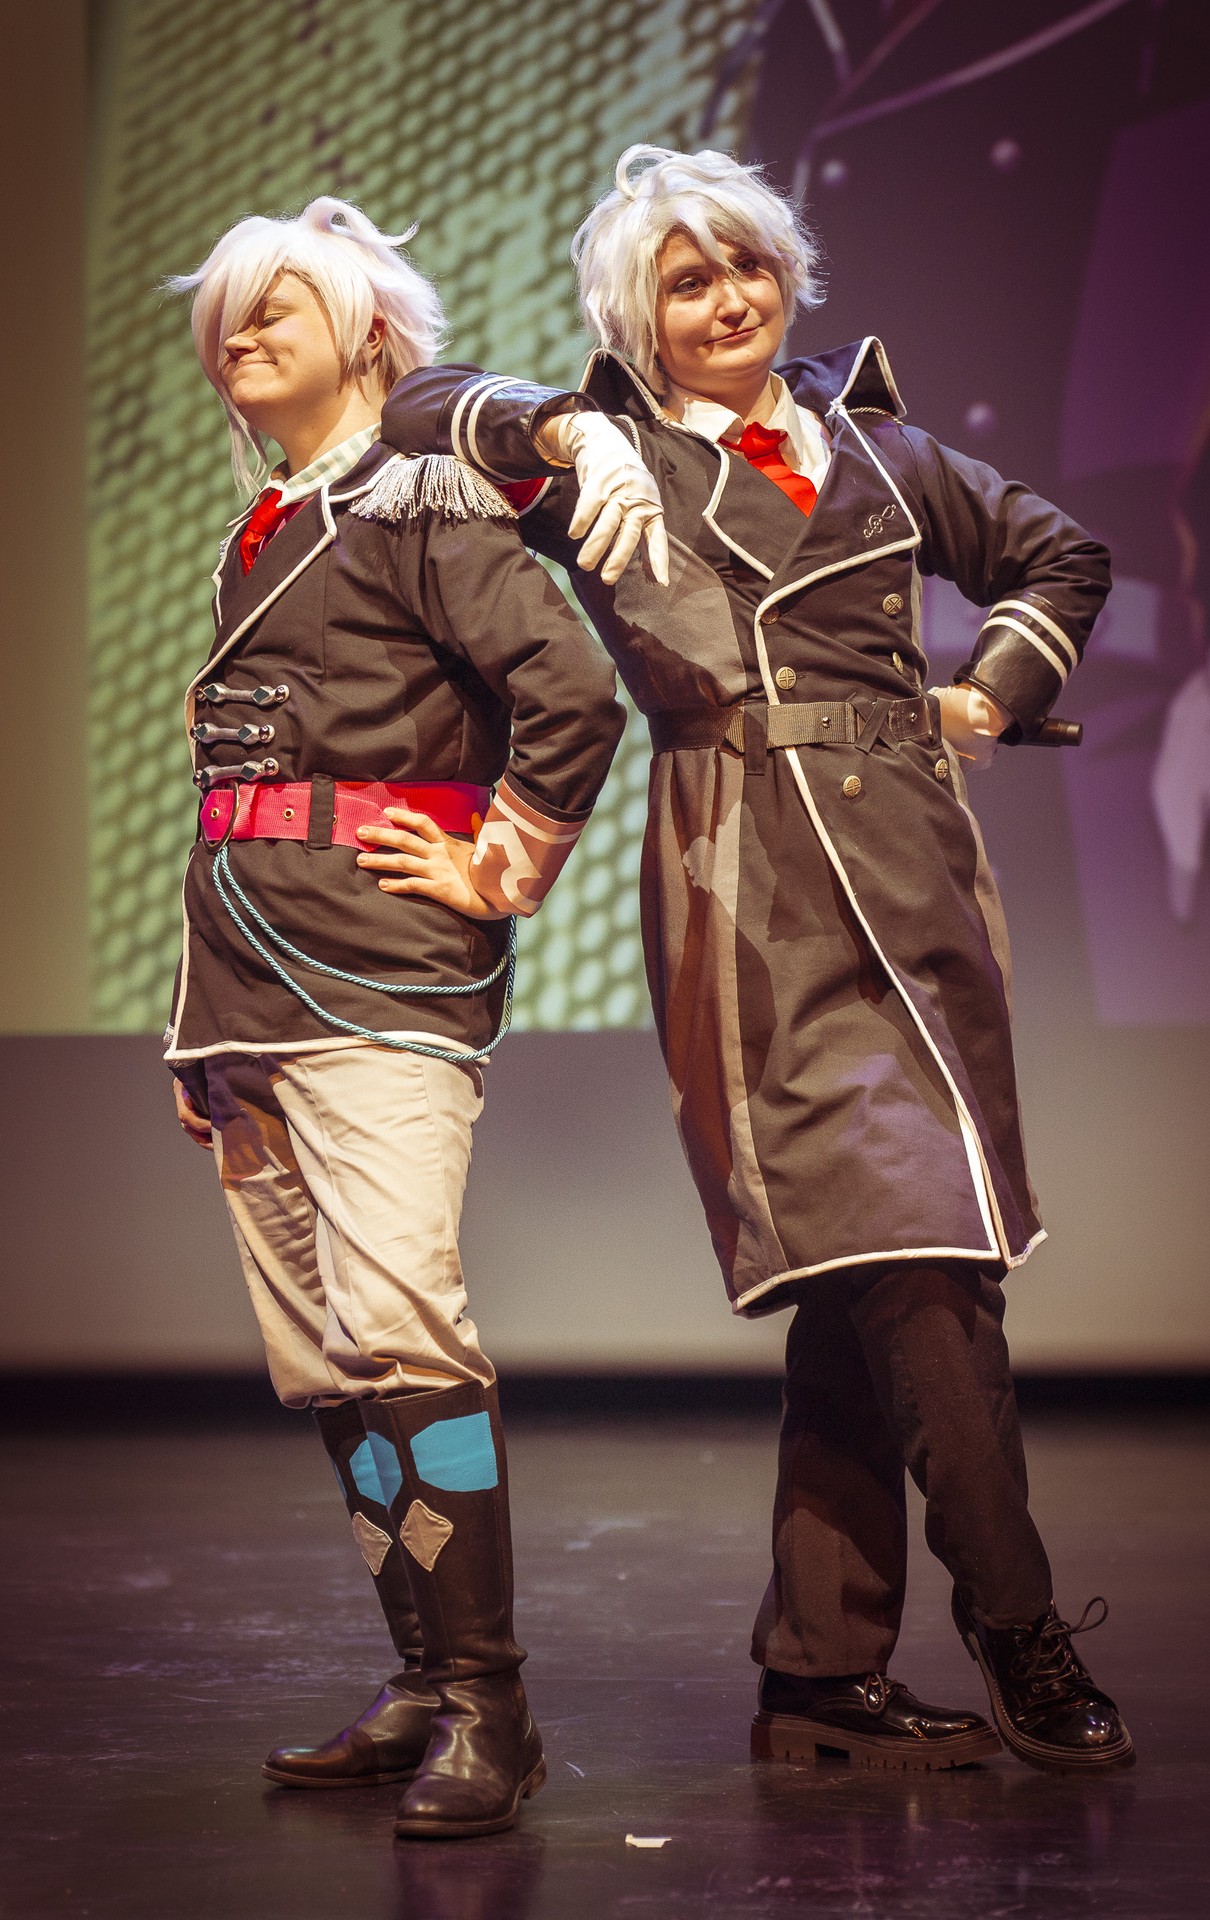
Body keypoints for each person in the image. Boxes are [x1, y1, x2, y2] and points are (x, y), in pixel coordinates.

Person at [367, 146, 1135, 1773]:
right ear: (635, 319)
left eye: (749, 267)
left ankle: (818, 1675)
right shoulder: (615, 460)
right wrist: (566, 429)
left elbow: (1062, 555)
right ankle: (1019, 1625)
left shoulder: (880, 448)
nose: (730, 301)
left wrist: (990, 692)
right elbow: (414, 410)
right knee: (920, 1266)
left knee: (883, 1277)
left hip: (923, 891)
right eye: (687, 281)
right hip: (752, 897)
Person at [163, 197, 625, 1837]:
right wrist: (197, 1029)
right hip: (249, 1001)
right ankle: (422, 1679)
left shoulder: (419, 497)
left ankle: (492, 1706)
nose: (240, 331)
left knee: (407, 1333)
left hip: (378, 986)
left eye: (275, 303)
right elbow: (237, 798)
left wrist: (508, 860)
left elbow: (574, 693)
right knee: (334, 1368)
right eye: (224, 313)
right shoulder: (270, 525)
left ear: (364, 332)